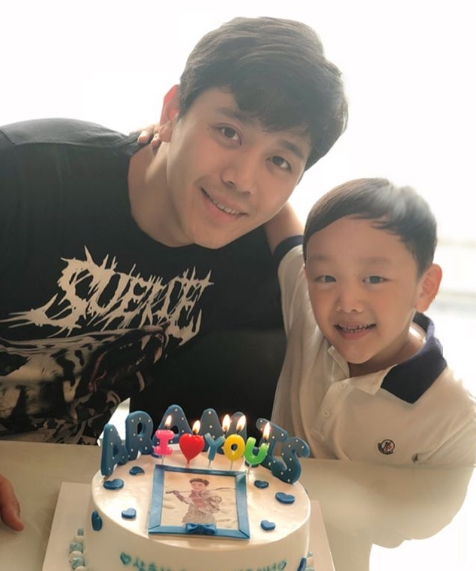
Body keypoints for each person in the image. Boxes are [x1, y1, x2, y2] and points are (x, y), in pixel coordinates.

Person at [0, 16, 348, 530]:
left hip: (66, 497)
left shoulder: (244, 254)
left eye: (279, 161)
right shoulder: (26, 175)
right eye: (228, 132)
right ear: (171, 111)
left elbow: (328, 308)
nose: (241, 179)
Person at [265, 178, 476, 465]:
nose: (347, 303)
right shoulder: (307, 305)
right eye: (327, 277)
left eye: (374, 279)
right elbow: (275, 210)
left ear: (425, 287)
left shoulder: (455, 420)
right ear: (308, 276)